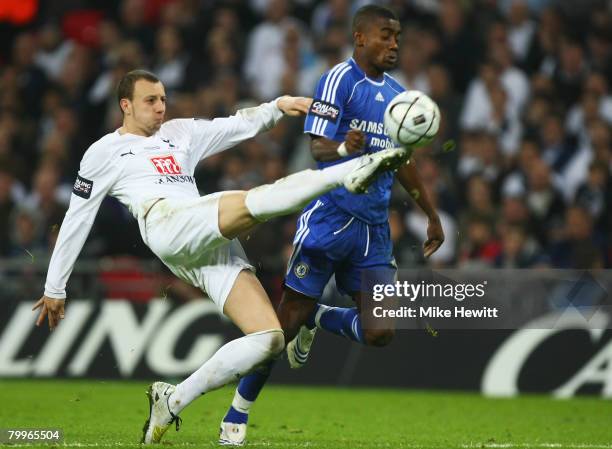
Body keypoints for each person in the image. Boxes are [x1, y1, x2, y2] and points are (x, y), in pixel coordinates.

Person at [30, 69, 410, 444]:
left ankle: (172, 400)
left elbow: (236, 126)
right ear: (125, 105)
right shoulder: (102, 152)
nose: (161, 107)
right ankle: (346, 172)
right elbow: (77, 217)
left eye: (163, 99)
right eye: (151, 100)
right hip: (166, 222)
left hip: (203, 240)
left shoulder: (180, 133)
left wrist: (279, 105)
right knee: (254, 203)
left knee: (270, 340)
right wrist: (55, 286)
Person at [220, 5, 445, 446]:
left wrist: (431, 214)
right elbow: (318, 149)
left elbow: (404, 163)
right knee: (282, 329)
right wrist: (345, 145)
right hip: (329, 218)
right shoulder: (338, 80)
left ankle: (319, 320)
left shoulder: (400, 98)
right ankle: (236, 414)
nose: (394, 44)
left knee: (380, 333)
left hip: (374, 231)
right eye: (386, 35)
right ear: (360, 38)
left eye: (397, 36)